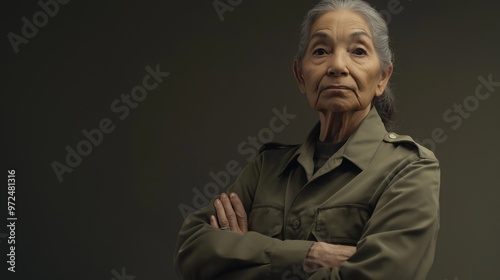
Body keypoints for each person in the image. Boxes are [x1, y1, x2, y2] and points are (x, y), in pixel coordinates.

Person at [174, 0, 440, 279]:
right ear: (300, 76)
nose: (337, 65)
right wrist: (310, 255)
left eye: (358, 51)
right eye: (321, 51)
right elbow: (191, 249)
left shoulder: (409, 169)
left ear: (382, 77)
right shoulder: (267, 168)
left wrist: (244, 255)